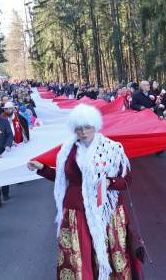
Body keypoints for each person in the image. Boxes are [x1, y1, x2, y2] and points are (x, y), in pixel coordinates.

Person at [27, 104, 144, 279]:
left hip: (107, 212)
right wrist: (42, 168)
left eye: (87, 127)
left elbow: (126, 181)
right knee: (78, 258)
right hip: (76, 212)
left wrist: (109, 181)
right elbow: (61, 178)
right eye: (78, 128)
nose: (82, 131)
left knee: (111, 255)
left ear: (95, 126)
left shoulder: (112, 148)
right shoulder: (67, 150)